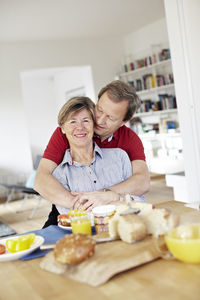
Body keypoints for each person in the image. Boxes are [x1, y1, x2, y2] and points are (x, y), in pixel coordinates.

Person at [34, 80, 150, 225]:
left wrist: (106, 195)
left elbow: (143, 182)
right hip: (70, 206)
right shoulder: (68, 132)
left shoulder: (129, 140)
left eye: (111, 117)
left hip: (114, 206)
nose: (100, 120)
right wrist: (83, 205)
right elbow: (41, 179)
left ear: (123, 121)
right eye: (99, 110)